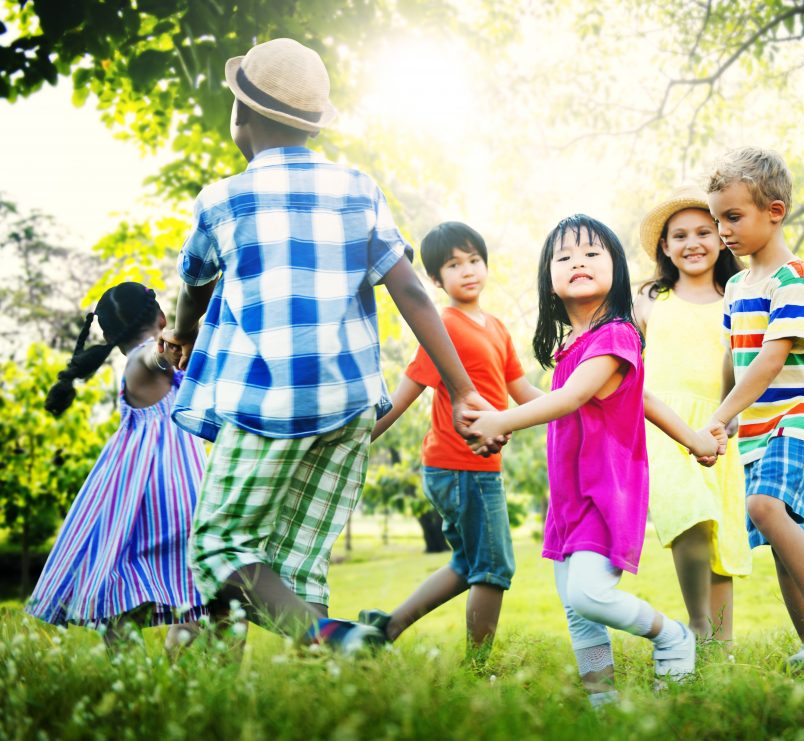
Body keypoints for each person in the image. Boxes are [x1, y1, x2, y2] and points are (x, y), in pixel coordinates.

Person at [160, 38, 494, 651]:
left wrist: (180, 334)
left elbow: (194, 286)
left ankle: (332, 639)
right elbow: (413, 293)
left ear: (243, 117)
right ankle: (323, 682)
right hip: (345, 405)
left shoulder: (222, 200)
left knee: (218, 545)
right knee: (300, 555)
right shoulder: (357, 189)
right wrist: (464, 388)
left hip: (267, 405)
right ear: (311, 125)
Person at [465, 215, 725, 707]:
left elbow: (572, 397)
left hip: (607, 490)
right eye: (563, 257)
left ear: (617, 270)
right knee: (576, 608)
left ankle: (673, 637)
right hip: (569, 496)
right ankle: (602, 703)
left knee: (589, 594)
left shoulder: (618, 334)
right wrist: (693, 437)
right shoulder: (575, 346)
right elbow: (631, 397)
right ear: (549, 280)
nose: (577, 262)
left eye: (591, 253)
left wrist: (503, 421)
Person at [704, 147, 804, 666]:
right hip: (757, 426)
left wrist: (721, 415)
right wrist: (720, 418)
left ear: (774, 212)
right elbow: (736, 357)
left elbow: (770, 362)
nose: (722, 231)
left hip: (803, 414)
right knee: (779, 531)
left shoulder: (792, 282)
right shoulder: (734, 286)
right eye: (716, 219)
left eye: (733, 217)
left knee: (765, 507)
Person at [360, 222, 542, 657]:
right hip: (458, 466)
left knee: (468, 564)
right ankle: (478, 671)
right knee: (493, 568)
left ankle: (385, 628)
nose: (468, 271)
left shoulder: (496, 327)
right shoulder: (442, 327)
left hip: (478, 468)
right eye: (453, 265)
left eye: (474, 260)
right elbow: (404, 396)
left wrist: (577, 406)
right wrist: (356, 443)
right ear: (436, 280)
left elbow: (523, 394)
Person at [26, 282, 206, 653]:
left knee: (139, 600)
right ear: (160, 319)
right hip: (170, 487)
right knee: (190, 593)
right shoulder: (145, 358)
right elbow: (156, 358)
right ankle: (158, 674)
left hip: (137, 489)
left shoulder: (138, 361)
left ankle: (139, 672)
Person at [635, 183, 752, 643]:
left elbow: (744, 361)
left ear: (722, 237)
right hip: (664, 425)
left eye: (704, 231)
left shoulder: (738, 297)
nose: (692, 243)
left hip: (723, 425)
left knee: (717, 533)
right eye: (679, 235)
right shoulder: (649, 299)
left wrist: (732, 412)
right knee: (691, 516)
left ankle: (719, 645)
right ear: (665, 246)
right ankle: (698, 625)